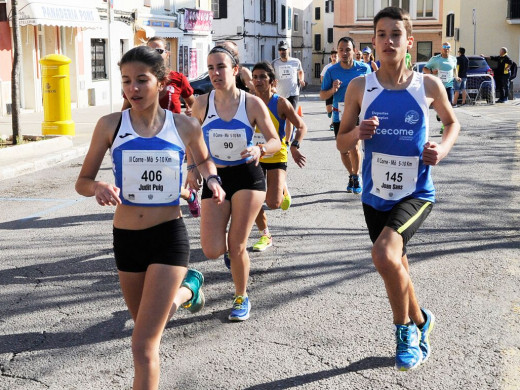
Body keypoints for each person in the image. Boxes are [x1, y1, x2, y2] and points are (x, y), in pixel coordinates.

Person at [75, 46, 225, 389]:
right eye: (126, 81)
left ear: (161, 83)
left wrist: (211, 178)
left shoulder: (184, 125)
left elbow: (204, 161)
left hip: (168, 237)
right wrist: (97, 186)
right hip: (127, 239)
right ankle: (188, 289)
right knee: (145, 323)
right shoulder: (110, 125)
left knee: (143, 346)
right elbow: (81, 181)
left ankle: (185, 286)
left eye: (142, 80)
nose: (133, 89)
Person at [337, 7, 460, 371]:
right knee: (397, 263)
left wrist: (442, 148)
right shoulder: (361, 87)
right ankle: (422, 320)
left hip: (415, 193)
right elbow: (341, 141)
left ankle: (404, 330)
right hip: (375, 195)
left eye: (395, 34)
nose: (388, 41)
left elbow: (452, 123)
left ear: (409, 41)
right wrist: (357, 134)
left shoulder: (428, 85)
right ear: (372, 42)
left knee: (384, 256)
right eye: (381, 34)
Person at [190, 45, 281, 321]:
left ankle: (241, 296)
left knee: (237, 241)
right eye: (210, 68)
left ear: (234, 70)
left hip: (247, 176)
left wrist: (261, 149)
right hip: (215, 177)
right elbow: (191, 139)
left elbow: (276, 141)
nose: (215, 73)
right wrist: (192, 168)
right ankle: (232, 254)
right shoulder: (201, 103)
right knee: (212, 249)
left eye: (221, 67)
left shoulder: (251, 103)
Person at [122, 37, 201, 218]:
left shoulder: (178, 79)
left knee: (167, 177)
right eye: (150, 51)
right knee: (152, 179)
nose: (154, 55)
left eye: (158, 51)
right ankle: (187, 195)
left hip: (172, 135)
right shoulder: (136, 81)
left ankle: (175, 212)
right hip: (145, 133)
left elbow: (193, 104)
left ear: (167, 54)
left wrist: (191, 113)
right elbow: (124, 110)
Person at [250, 61, 307, 252]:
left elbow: (301, 126)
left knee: (273, 203)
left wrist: (295, 146)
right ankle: (265, 234)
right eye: (255, 77)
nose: (258, 81)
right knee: (253, 197)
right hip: (255, 155)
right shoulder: (248, 102)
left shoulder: (281, 103)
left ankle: (282, 187)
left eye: (262, 77)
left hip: (276, 154)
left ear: (272, 81)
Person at [320, 36, 371, 194]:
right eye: (341, 50)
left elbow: (373, 90)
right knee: (343, 149)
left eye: (347, 49)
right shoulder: (331, 71)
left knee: (355, 147)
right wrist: (332, 90)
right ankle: (352, 174)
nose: (344, 53)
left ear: (354, 51)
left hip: (357, 113)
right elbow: (322, 95)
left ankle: (356, 177)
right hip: (339, 114)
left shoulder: (364, 69)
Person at [321, 50, 339, 131]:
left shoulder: (340, 66)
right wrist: (324, 85)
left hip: (338, 91)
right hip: (329, 90)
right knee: (329, 109)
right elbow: (322, 76)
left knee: (335, 107)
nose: (334, 58)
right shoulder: (327, 67)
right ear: (331, 57)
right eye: (333, 56)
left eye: (336, 56)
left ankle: (332, 123)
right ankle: (329, 113)